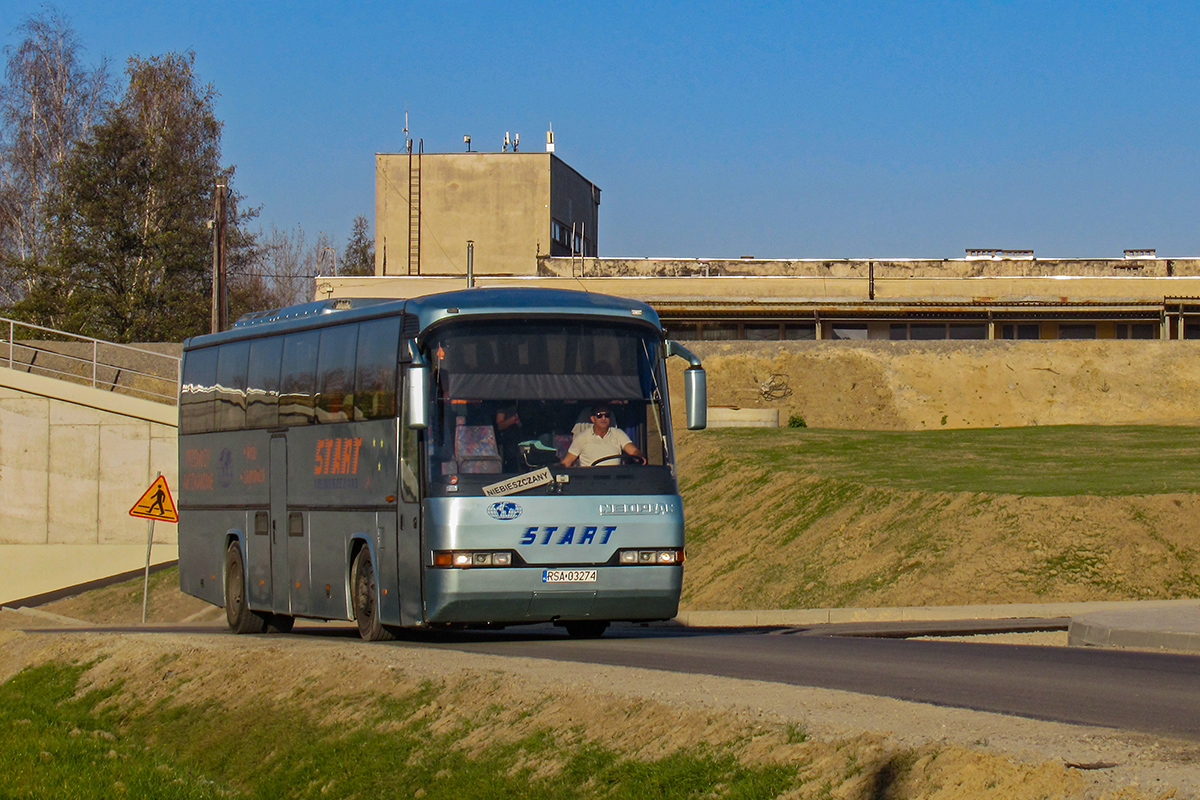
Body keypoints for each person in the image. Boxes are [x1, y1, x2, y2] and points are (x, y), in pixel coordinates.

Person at [561, 403, 643, 467]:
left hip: (615, 481)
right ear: (592, 419)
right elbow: (567, 462)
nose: (603, 418)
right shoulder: (582, 437)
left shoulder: (618, 434)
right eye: (599, 416)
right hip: (590, 482)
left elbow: (633, 451)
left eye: (606, 415)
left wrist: (638, 456)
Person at [494, 405, 523, 471]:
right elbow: (500, 425)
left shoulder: (531, 402)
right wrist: (513, 419)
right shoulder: (506, 403)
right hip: (510, 439)